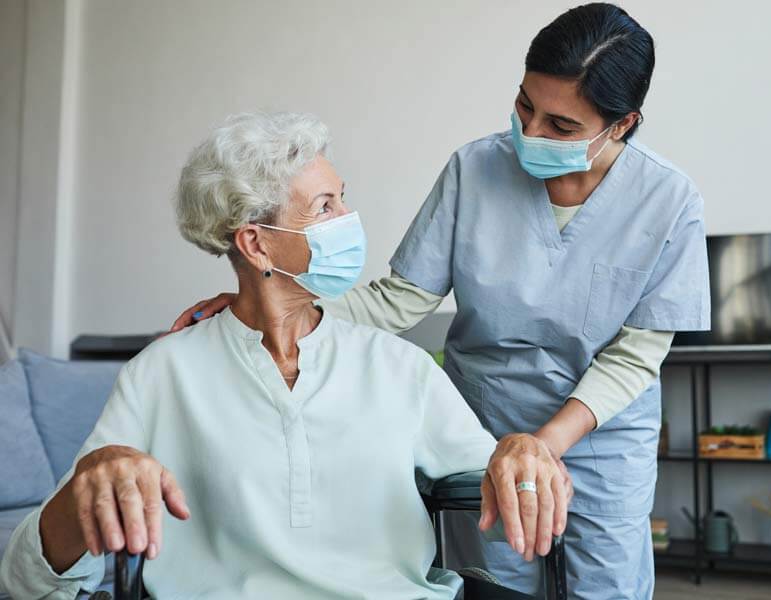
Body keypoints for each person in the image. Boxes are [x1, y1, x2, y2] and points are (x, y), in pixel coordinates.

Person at [170, 4, 711, 598]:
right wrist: (274, 304)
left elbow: (636, 354)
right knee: (501, 585)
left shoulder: (669, 199)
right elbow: (401, 299)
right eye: (525, 106)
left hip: (602, 438)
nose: (530, 134)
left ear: (623, 124)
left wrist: (542, 445)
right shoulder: (475, 169)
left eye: (560, 127)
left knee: (605, 587)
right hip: (487, 422)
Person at [0, 112, 571, 600]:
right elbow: (24, 579)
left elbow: (507, 498)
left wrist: (520, 453)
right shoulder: (162, 372)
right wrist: (87, 485)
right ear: (255, 243)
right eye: (324, 206)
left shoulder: (398, 367)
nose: (348, 219)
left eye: (343, 197)